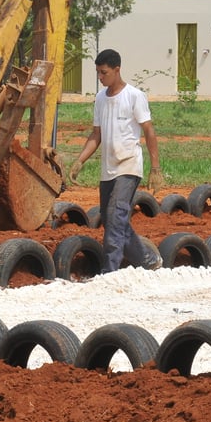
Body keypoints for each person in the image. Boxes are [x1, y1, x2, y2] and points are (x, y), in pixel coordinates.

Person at [68, 49, 165, 273]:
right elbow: (96, 135)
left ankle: (110, 270)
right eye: (98, 73)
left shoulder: (134, 96)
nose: (100, 78)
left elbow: (149, 131)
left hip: (129, 165)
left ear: (117, 70)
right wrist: (79, 161)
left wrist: (155, 168)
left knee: (115, 214)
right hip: (108, 168)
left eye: (104, 73)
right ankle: (147, 260)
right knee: (111, 217)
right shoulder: (101, 99)